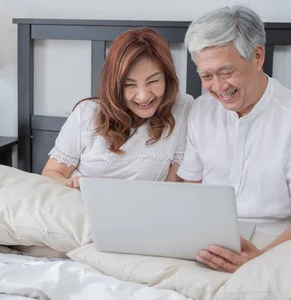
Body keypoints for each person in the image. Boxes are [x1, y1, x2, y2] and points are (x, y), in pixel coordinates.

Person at [178, 5, 291, 272]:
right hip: (208, 241)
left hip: (275, 241)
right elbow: (190, 190)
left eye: (226, 72)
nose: (218, 88)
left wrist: (262, 259)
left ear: (257, 56)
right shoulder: (200, 110)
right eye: (206, 76)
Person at [42, 27, 193, 188]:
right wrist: (70, 183)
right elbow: (50, 174)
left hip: (147, 209)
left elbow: (173, 187)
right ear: (114, 85)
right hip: (83, 205)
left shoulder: (181, 108)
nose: (143, 96)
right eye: (129, 84)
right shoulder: (87, 113)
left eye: (153, 81)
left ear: (167, 77)